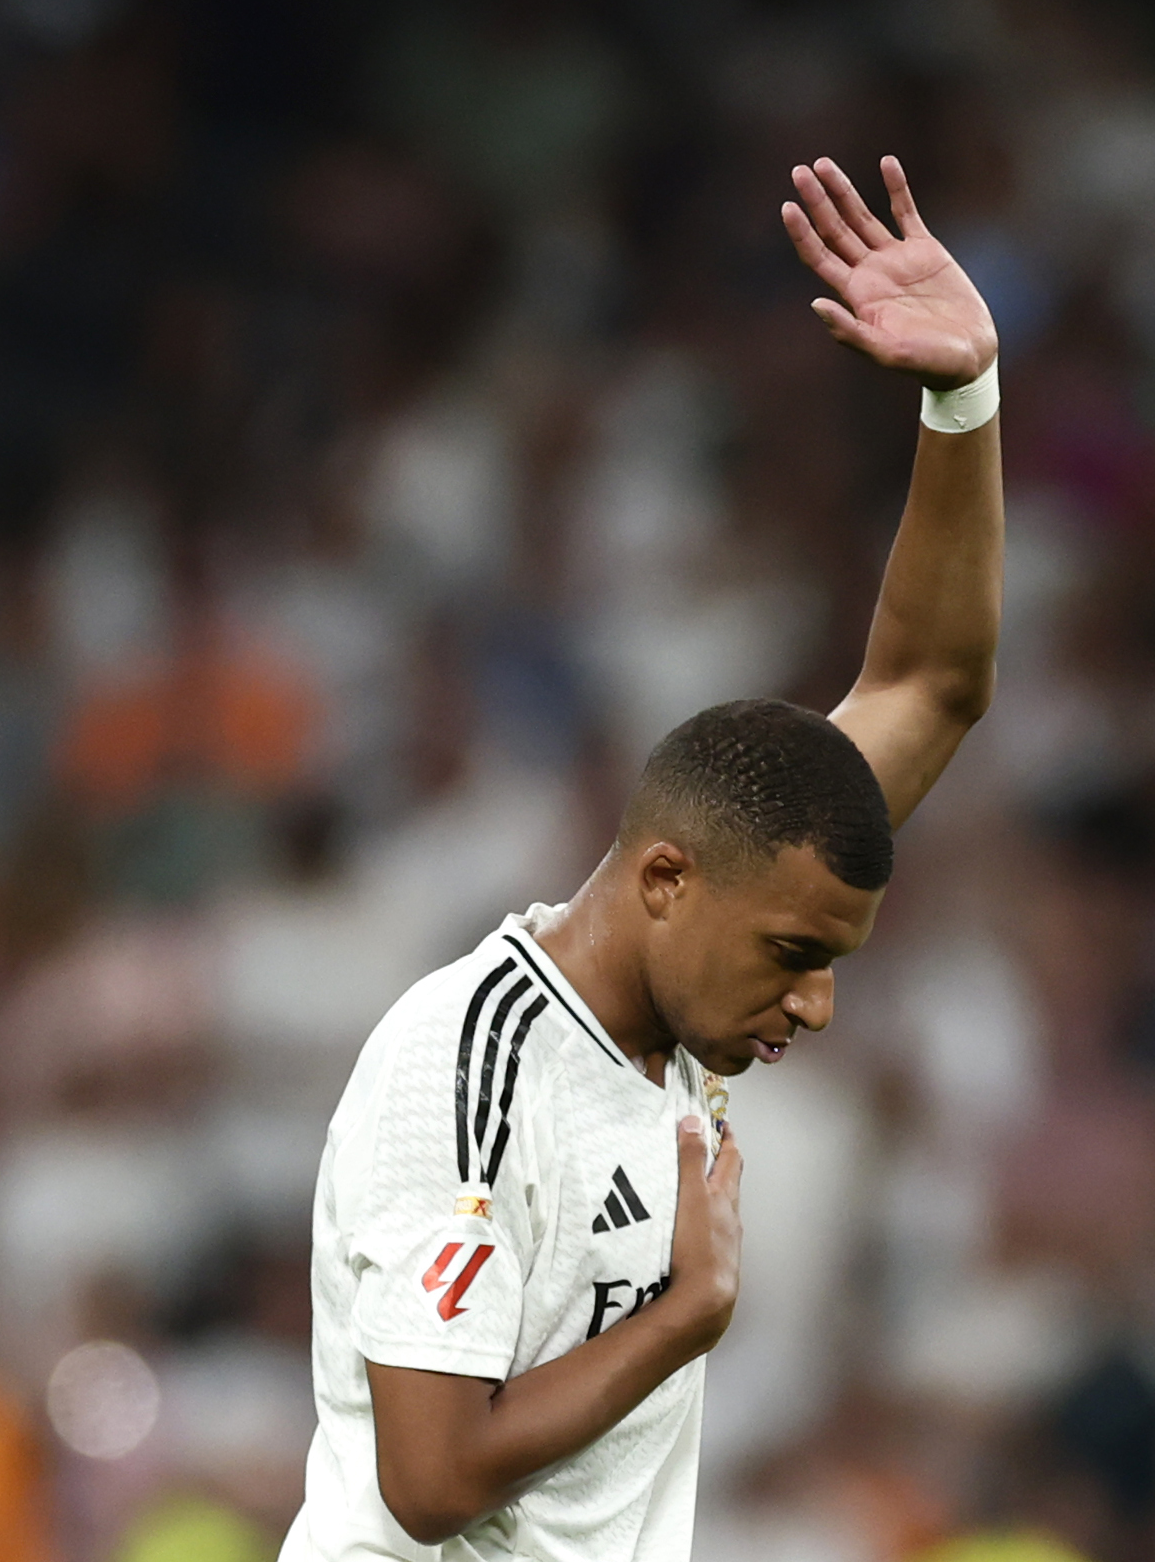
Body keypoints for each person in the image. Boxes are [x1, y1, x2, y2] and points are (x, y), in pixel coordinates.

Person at [281, 156, 1003, 1562]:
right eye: (796, 957)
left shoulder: (686, 998)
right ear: (667, 880)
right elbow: (432, 1479)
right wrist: (687, 1315)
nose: (815, 1006)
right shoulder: (468, 1066)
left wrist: (962, 398)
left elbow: (933, 681)